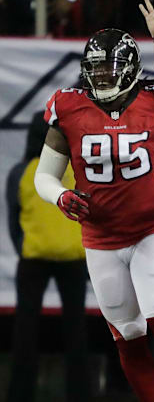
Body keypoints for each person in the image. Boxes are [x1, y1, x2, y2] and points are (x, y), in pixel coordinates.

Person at [34, 23, 154, 402]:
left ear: (130, 69)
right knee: (128, 335)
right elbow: (43, 177)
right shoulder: (66, 106)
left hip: (151, 229)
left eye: (108, 68)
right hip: (101, 238)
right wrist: (60, 195)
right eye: (94, 69)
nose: (100, 76)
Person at [5, 111, 89, 402]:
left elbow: (13, 219)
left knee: (25, 330)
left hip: (33, 258)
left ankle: (19, 395)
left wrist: (24, 248)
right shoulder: (77, 169)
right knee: (76, 330)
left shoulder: (22, 171)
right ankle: (80, 395)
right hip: (74, 259)